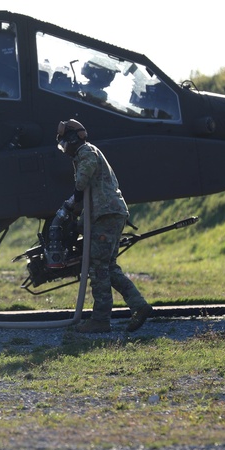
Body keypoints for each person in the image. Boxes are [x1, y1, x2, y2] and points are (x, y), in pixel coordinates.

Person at [55, 119, 153, 333]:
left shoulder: (86, 152)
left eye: (65, 144)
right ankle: (139, 306)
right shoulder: (86, 152)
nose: (65, 150)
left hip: (106, 213)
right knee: (108, 266)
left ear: (72, 139)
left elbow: (83, 181)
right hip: (109, 213)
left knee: (98, 268)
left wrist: (73, 199)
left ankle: (100, 320)